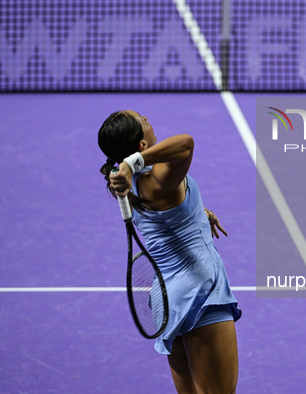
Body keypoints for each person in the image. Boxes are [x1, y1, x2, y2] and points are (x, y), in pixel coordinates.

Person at [98, 110, 241, 394]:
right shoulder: (157, 179)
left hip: (167, 297)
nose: (148, 118)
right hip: (199, 293)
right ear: (141, 146)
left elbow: (166, 218)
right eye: (143, 120)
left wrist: (198, 215)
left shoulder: (134, 183)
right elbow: (186, 143)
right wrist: (133, 162)